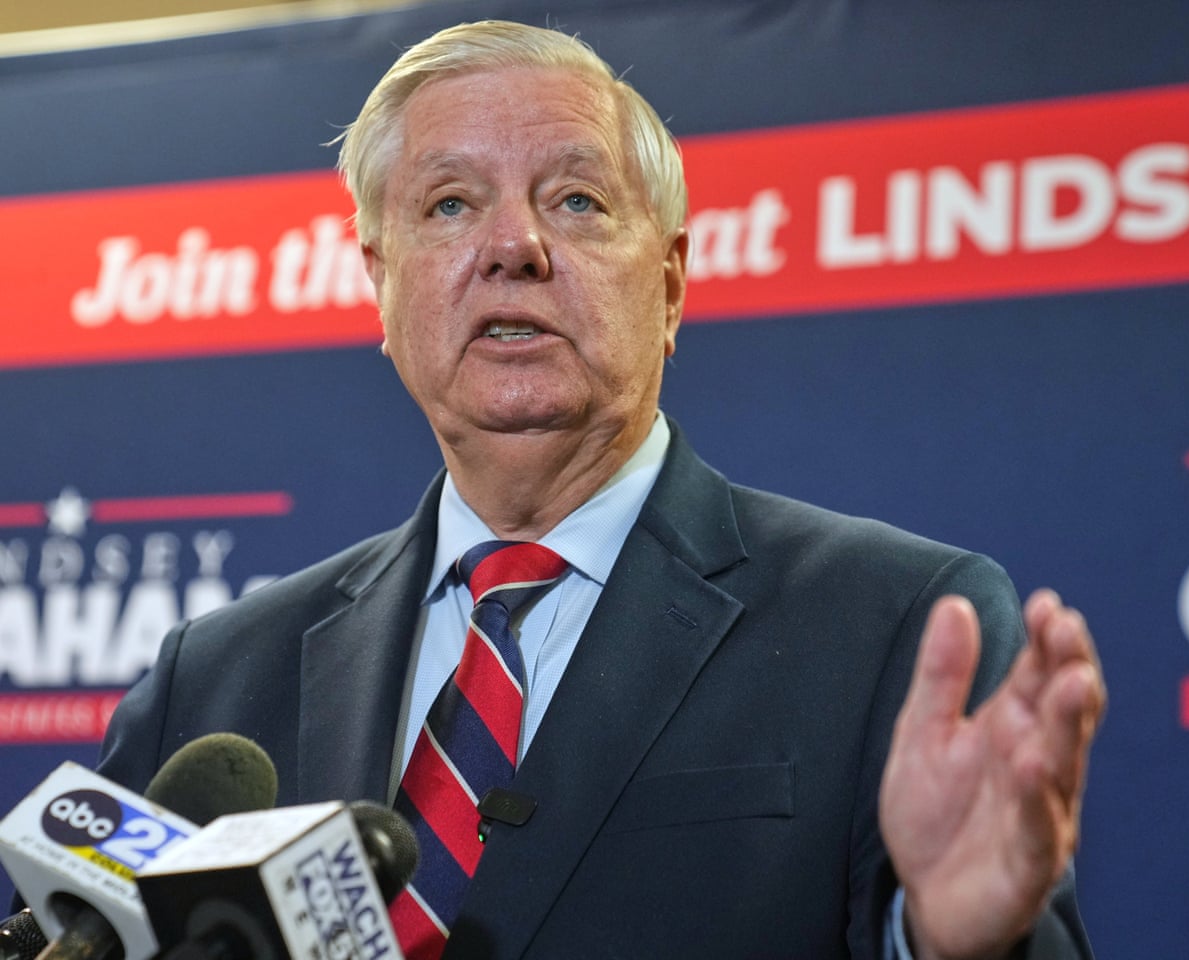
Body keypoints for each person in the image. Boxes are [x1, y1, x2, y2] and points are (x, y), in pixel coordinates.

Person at [95, 19, 1105, 960]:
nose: (513, 247)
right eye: (450, 205)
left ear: (669, 284)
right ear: (382, 283)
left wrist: (952, 939)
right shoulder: (218, 676)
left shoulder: (896, 625)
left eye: (576, 201)